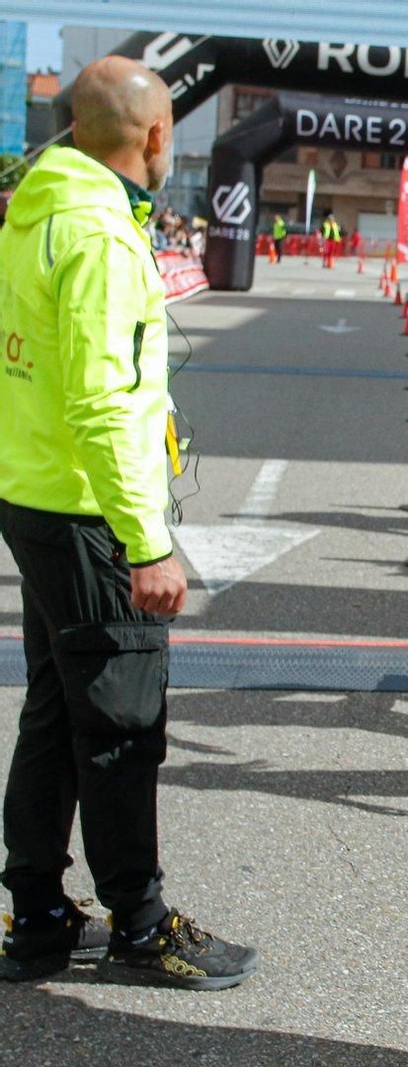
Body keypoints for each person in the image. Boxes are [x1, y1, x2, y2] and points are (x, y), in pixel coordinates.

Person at [0, 55, 257, 989]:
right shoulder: (102, 236)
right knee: (118, 721)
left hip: (34, 495)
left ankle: (35, 911)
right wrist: (146, 539)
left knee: (55, 709)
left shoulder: (34, 210)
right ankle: (140, 923)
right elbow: (104, 400)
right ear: (156, 137)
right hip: (88, 508)